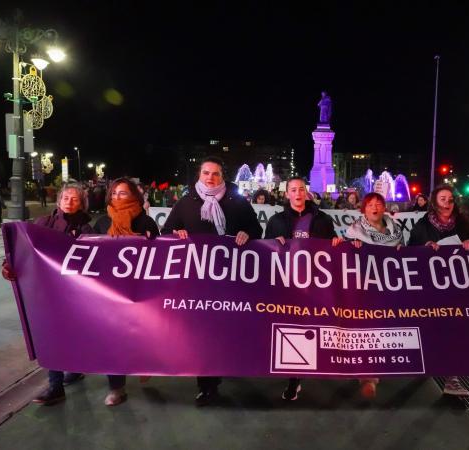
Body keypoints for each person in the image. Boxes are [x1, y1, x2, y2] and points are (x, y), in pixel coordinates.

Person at [161, 156, 262, 406]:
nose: (210, 178)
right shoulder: (186, 202)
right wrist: (176, 233)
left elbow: (257, 231)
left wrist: (246, 233)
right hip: (195, 281)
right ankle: (207, 386)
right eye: (206, 173)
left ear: (222, 177)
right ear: (199, 175)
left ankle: (222, 370)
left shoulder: (237, 202)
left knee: (223, 331)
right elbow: (166, 232)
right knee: (202, 333)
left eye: (216, 174)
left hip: (230, 279)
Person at [2, 183, 92, 405]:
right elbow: (21, 249)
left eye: (75, 199)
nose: (69, 202)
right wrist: (8, 265)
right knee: (50, 335)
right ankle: (55, 385)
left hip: (75, 293)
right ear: (59, 200)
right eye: (66, 198)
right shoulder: (44, 223)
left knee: (73, 335)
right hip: (47, 291)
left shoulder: (88, 229)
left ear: (82, 203)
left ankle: (75, 369)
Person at [264, 177, 339, 401]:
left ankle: (305, 370)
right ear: (287, 194)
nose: (298, 193)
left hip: (315, 283)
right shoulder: (276, 220)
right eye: (293, 190)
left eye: (301, 189)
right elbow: (264, 250)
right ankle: (294, 377)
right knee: (291, 328)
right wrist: (272, 242)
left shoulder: (322, 219)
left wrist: (335, 242)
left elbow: (332, 242)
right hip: (287, 283)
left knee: (310, 327)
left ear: (307, 193)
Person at [93, 177, 160, 406]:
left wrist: (151, 243)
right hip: (109, 291)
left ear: (134, 196)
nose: (118, 197)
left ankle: (146, 364)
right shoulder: (102, 223)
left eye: (123, 193)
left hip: (139, 289)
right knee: (112, 339)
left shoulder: (146, 222)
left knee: (141, 334)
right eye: (114, 193)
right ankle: (116, 388)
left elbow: (160, 257)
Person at [408, 184, 469, 398]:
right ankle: (426, 362)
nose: (447, 203)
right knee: (431, 329)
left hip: (457, 286)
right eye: (443, 199)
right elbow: (409, 252)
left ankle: (451, 378)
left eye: (450, 199)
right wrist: (424, 247)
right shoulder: (422, 224)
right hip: (429, 286)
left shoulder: (463, 224)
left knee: (453, 330)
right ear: (435, 203)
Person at [344, 192, 404, 399]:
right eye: (370, 205)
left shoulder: (396, 230)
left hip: (389, 286)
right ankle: (368, 376)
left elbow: (405, 254)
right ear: (364, 209)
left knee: (383, 327)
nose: (375, 208)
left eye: (379, 204)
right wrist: (351, 246)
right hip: (363, 285)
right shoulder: (355, 230)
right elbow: (342, 255)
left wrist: (401, 249)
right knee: (365, 327)